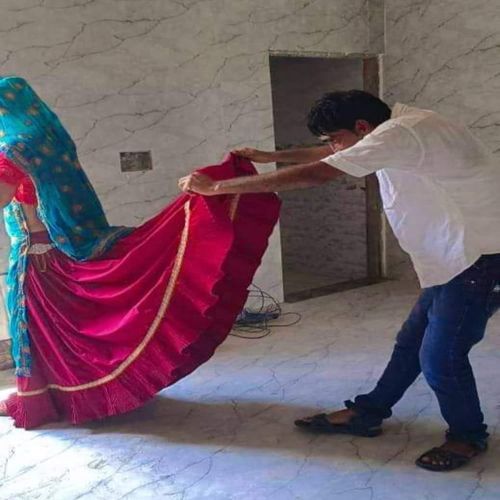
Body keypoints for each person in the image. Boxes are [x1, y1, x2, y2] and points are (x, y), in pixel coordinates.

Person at [179, 89, 500, 472]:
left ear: (362, 126)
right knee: (411, 343)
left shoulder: (403, 131)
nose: (333, 146)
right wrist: (269, 157)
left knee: (441, 357)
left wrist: (216, 188)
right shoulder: (396, 128)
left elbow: (320, 171)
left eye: (335, 137)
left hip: (479, 258)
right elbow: (333, 154)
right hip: (454, 257)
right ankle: (368, 412)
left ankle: (467, 436)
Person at [0, 76, 280, 429]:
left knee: (47, 336)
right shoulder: (48, 140)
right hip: (59, 250)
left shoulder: (14, 148)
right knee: (69, 336)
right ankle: (79, 395)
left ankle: (52, 400)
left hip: (40, 259)